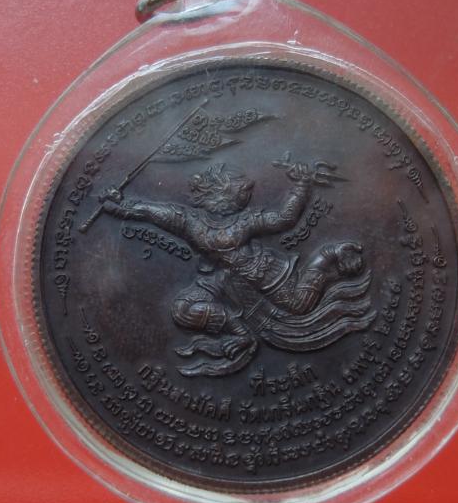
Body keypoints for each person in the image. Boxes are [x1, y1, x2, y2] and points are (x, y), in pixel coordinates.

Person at [102, 160, 375, 376]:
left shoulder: (246, 222)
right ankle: (241, 334)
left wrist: (301, 185)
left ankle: (326, 256)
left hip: (260, 273)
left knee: (299, 306)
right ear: (220, 193)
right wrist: (119, 205)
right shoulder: (188, 220)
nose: (247, 194)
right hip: (218, 280)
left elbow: (284, 219)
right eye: (241, 190)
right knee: (183, 310)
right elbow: (148, 211)